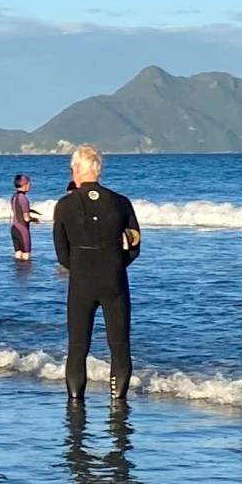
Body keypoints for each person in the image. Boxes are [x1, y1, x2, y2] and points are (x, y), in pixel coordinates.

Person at [50, 144, 141, 406]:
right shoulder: (121, 202)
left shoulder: (65, 205)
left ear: (77, 169)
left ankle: (76, 404)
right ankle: (117, 402)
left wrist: (79, 265)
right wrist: (116, 263)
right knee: (119, 345)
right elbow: (134, 245)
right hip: (114, 278)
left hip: (81, 280)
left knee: (78, 347)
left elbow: (61, 252)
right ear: (98, 170)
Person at [9, 173, 35, 260]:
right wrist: (35, 220)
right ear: (24, 184)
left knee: (18, 256)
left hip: (14, 228)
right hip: (22, 229)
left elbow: (17, 210)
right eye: (29, 183)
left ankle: (16, 273)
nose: (30, 185)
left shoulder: (14, 197)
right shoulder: (23, 198)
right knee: (26, 258)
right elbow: (26, 218)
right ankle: (26, 274)